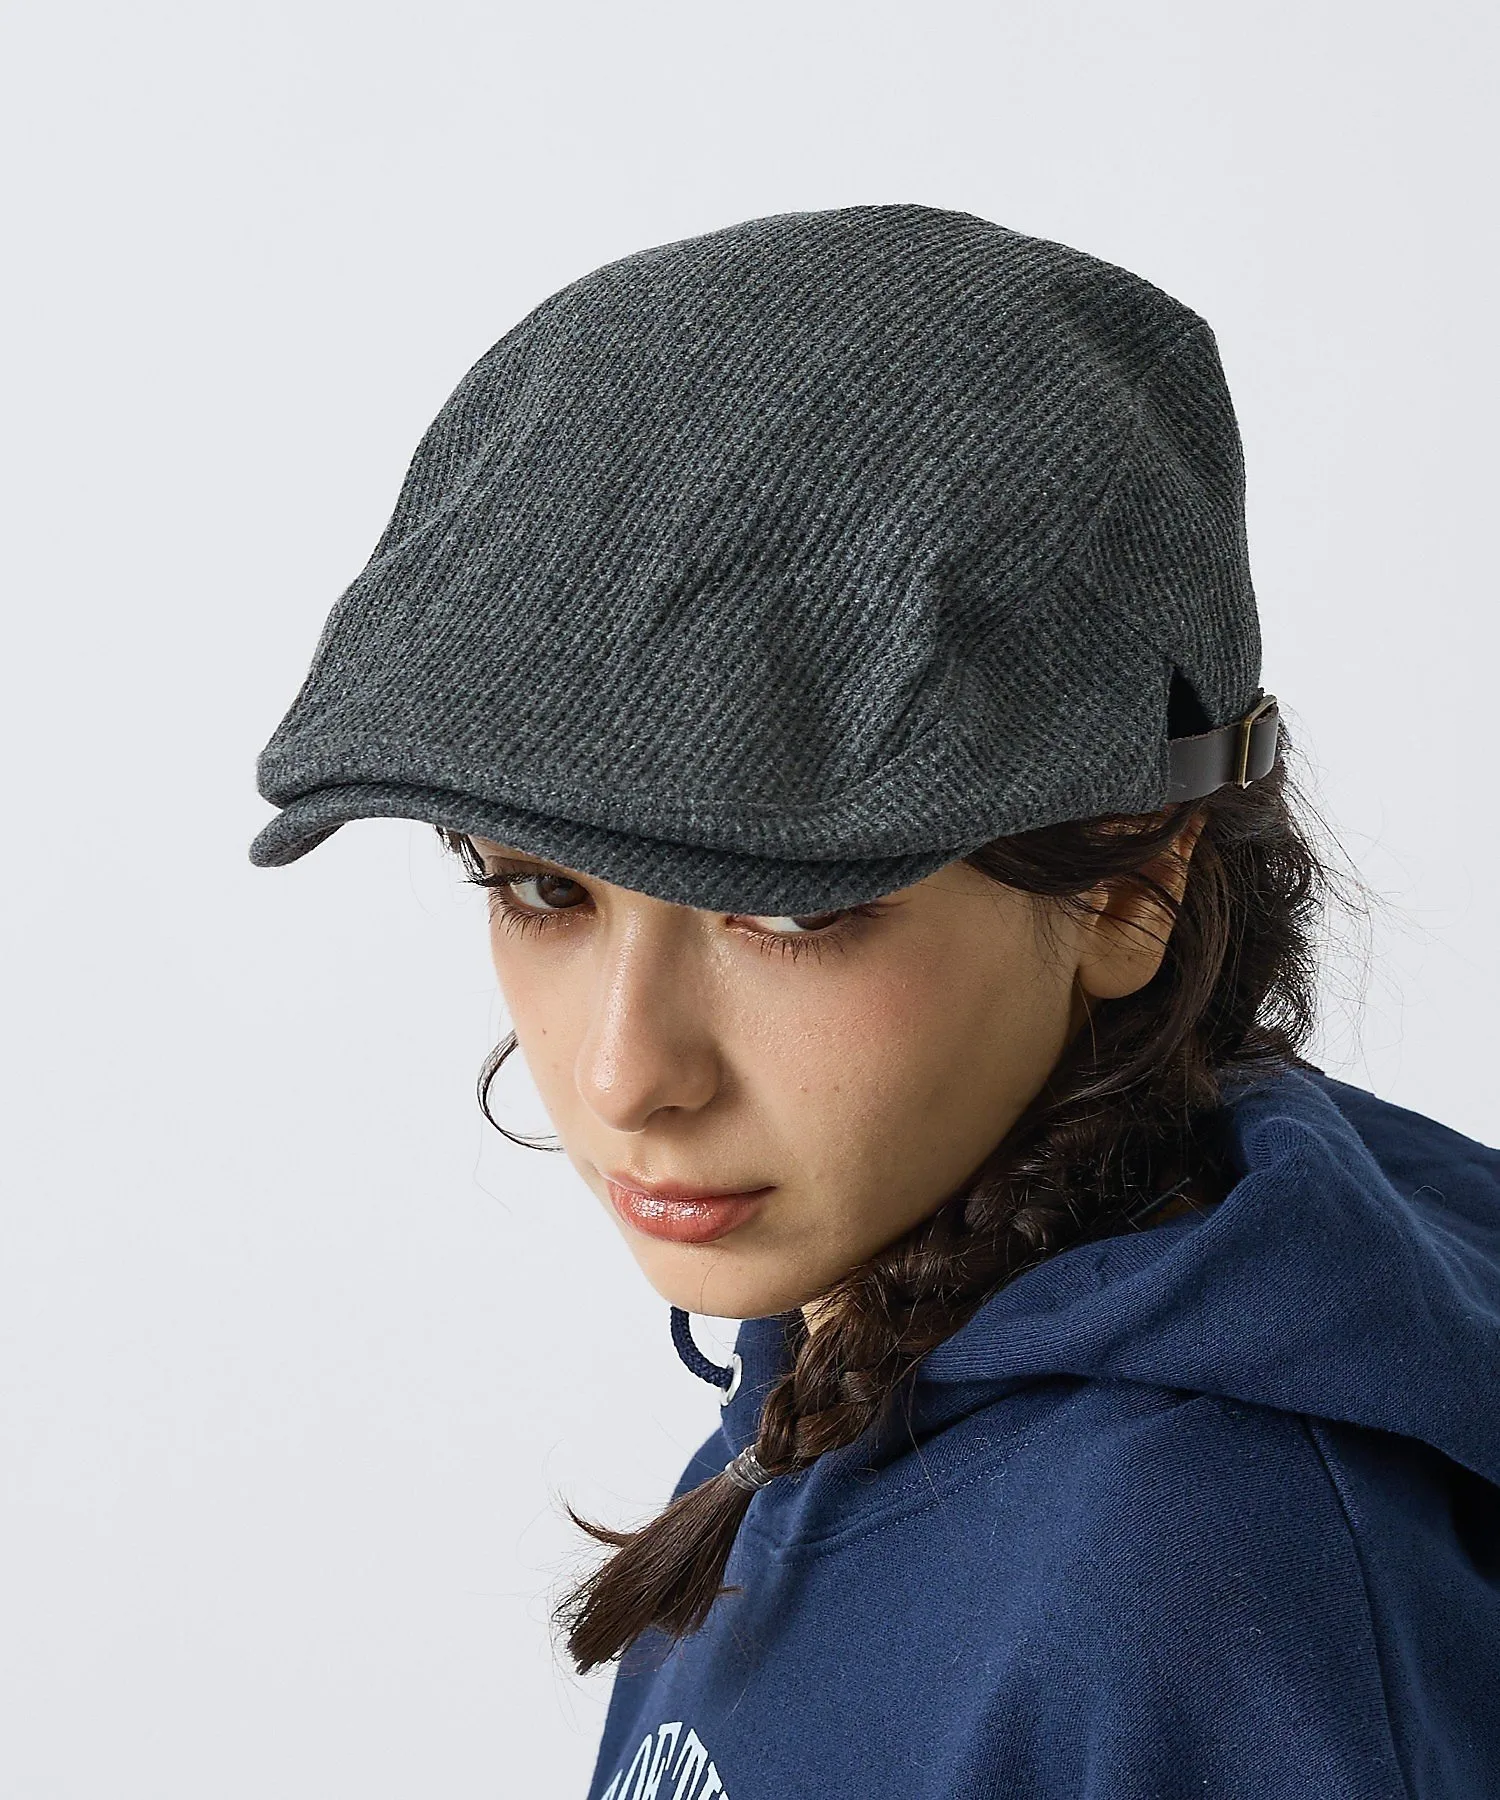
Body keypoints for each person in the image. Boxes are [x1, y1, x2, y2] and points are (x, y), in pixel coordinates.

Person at [248, 204, 1500, 1798]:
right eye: (544, 890)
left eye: (786, 911)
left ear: (1131, 885)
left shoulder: (1192, 1584)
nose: (628, 1075)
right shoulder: (854, 1355)